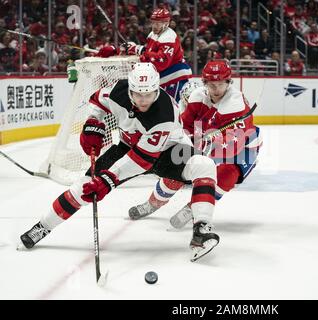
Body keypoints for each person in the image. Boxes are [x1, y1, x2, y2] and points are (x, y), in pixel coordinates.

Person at [19, 63, 219, 262]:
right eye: (138, 94)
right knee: (84, 187)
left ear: (157, 89)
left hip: (169, 152)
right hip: (127, 146)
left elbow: (141, 160)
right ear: (130, 89)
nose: (143, 100)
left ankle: (201, 231)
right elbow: (97, 100)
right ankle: (42, 226)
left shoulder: (164, 114)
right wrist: (93, 122)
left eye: (148, 94)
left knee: (204, 165)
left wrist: (109, 180)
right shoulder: (118, 90)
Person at [128, 60, 262, 229]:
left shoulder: (235, 105)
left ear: (229, 82)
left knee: (225, 175)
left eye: (221, 84)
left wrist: (212, 142)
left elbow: (234, 146)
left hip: (243, 145)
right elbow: (184, 125)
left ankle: (193, 208)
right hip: (207, 136)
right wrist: (190, 140)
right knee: (178, 165)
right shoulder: (198, 96)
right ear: (204, 83)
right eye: (211, 84)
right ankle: (152, 203)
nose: (216, 89)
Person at [97, 8, 192, 102]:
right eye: (153, 22)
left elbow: (160, 62)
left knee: (172, 108)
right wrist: (119, 49)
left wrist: (138, 50)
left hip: (174, 77)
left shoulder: (169, 37)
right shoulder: (153, 34)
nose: (154, 26)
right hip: (165, 77)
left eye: (158, 23)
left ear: (166, 23)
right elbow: (148, 52)